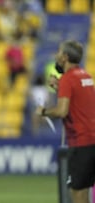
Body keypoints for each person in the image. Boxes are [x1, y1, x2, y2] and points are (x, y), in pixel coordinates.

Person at [36, 40, 95, 203]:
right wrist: (59, 86)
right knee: (86, 190)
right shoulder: (86, 76)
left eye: (59, 52)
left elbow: (62, 111)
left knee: (78, 193)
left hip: (80, 143)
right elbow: (80, 101)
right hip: (92, 141)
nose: (57, 55)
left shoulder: (68, 79)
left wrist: (43, 112)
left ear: (65, 57)